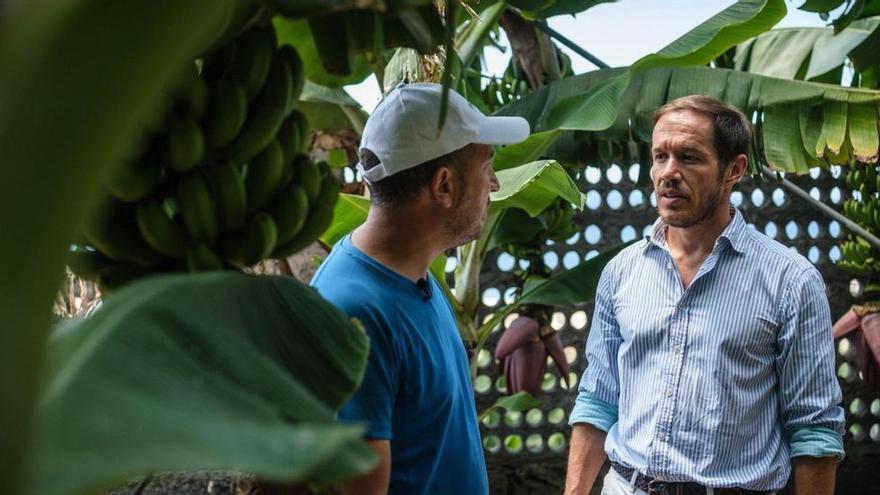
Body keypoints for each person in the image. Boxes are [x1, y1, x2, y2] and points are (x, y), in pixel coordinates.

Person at [564, 95, 845, 495]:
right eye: (659, 157)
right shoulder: (622, 272)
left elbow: (814, 430)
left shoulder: (791, 281)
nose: (668, 173)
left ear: (735, 169)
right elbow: (598, 398)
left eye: (689, 158)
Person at [311, 82, 530, 495]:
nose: (495, 184)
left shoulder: (415, 275)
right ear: (444, 185)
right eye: (486, 167)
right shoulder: (356, 309)